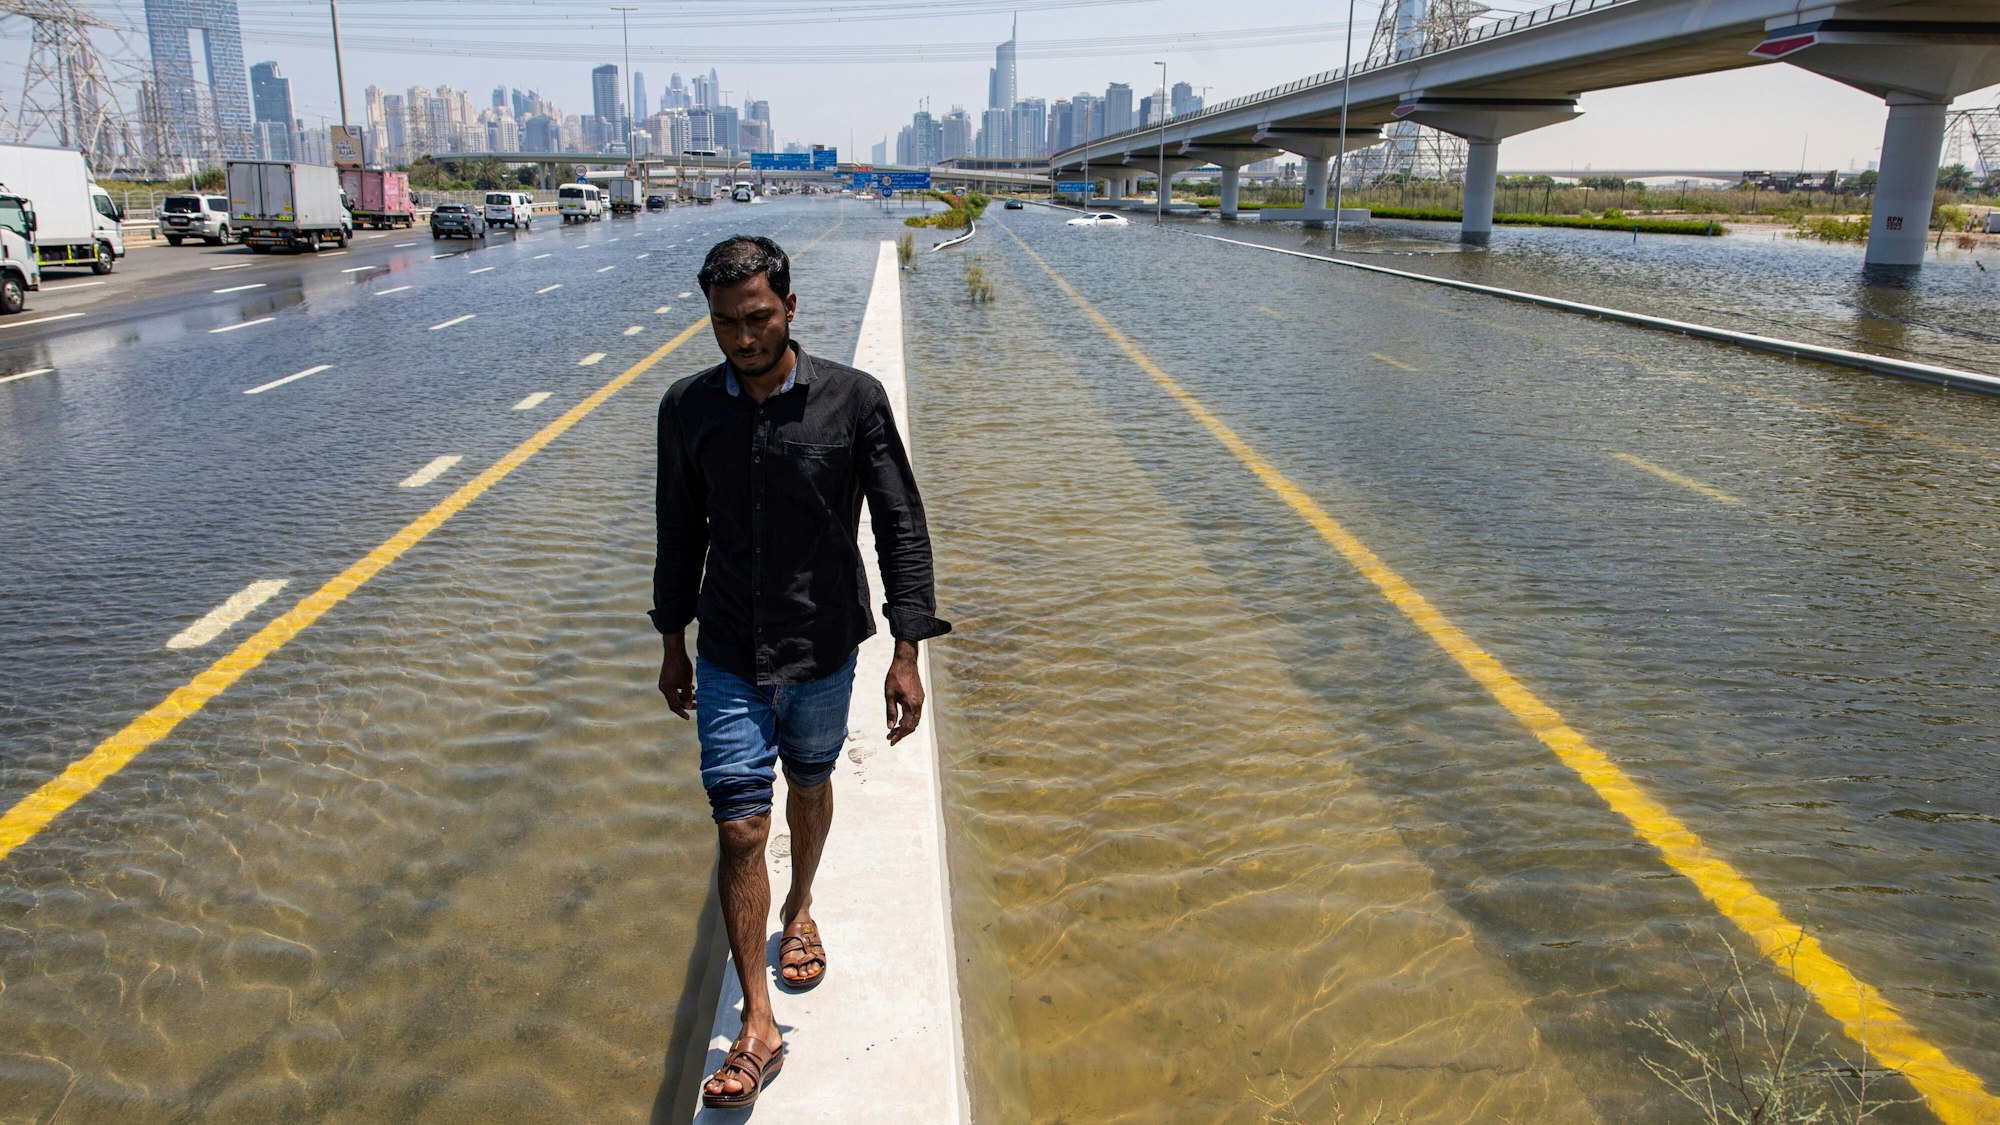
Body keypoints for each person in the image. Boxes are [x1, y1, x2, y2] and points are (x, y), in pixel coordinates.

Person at [651, 235, 950, 1110]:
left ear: (789, 307)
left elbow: (901, 525)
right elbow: (679, 535)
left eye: (757, 319)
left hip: (824, 648)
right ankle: (757, 1023)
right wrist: (673, 639)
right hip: (733, 650)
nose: (741, 340)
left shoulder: (853, 402)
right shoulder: (687, 409)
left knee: (811, 783)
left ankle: (802, 906)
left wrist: (905, 651)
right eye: (723, 324)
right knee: (741, 825)